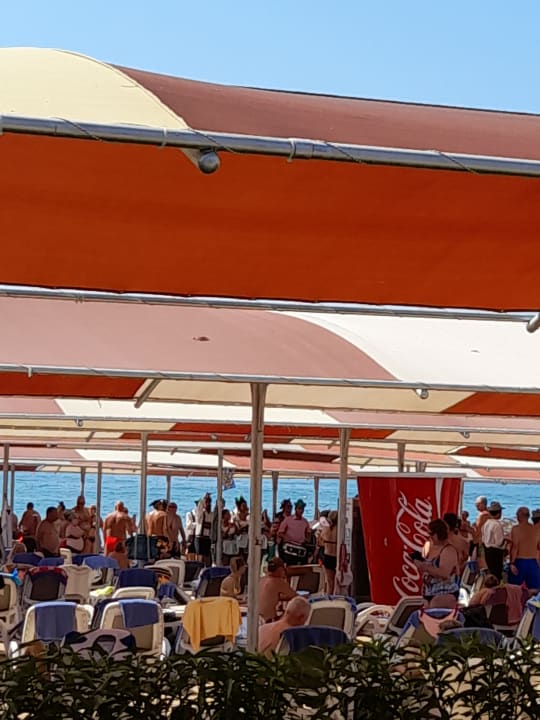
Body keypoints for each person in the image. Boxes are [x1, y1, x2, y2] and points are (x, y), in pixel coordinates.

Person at [414, 518, 460, 608]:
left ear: (437, 534)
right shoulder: (430, 547)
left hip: (445, 593)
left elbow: (444, 573)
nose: (429, 537)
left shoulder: (448, 550)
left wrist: (425, 567)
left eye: (431, 534)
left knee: (433, 609)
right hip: (429, 592)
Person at [508, 506, 540, 589]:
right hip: (533, 561)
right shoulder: (536, 530)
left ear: (520, 516)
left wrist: (512, 563)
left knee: (513, 588)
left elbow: (515, 547)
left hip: (520, 561)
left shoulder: (516, 529)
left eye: (517, 515)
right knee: (534, 590)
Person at [258, 556, 297, 622]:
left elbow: (269, 596)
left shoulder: (261, 580)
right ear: (280, 570)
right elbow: (295, 597)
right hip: (269, 620)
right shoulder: (278, 581)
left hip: (257, 618)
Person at [278, 499, 311, 565]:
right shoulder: (288, 520)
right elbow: (280, 533)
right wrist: (287, 538)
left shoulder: (305, 522)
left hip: (300, 547)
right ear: (295, 509)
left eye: (302, 509)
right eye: (299, 508)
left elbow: (308, 534)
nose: (301, 511)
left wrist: (307, 539)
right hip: (289, 547)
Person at [481, 501, 506, 580]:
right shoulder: (497, 525)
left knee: (491, 572)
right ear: (499, 513)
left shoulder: (486, 523)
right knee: (497, 574)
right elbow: (499, 542)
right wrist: (506, 540)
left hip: (487, 549)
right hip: (495, 552)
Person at [320, 510, 338, 593]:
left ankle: (328, 597)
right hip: (336, 556)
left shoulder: (326, 528)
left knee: (329, 582)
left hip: (327, 555)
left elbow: (320, 542)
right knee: (338, 582)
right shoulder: (339, 529)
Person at [195, 493, 214, 567]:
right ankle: (200, 569)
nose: (208, 504)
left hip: (207, 538)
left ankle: (208, 569)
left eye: (209, 502)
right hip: (199, 538)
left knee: (208, 556)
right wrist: (204, 498)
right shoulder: (200, 514)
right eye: (207, 502)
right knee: (200, 557)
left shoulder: (212, 514)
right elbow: (199, 506)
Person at [472, 496, 490, 562]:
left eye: (478, 504)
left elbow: (477, 531)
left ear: (483, 504)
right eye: (475, 504)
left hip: (481, 542)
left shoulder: (483, 515)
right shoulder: (488, 514)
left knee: (480, 562)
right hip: (487, 541)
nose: (476, 506)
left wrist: (469, 529)